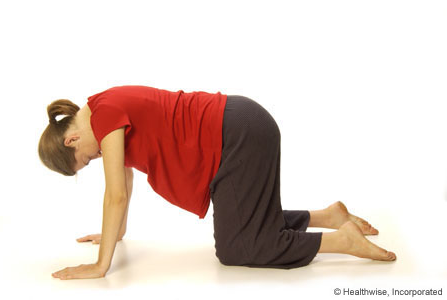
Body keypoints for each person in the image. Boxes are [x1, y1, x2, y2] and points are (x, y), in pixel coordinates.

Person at [38, 85, 396, 280]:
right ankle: (328, 216)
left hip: (236, 136)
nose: (96, 158)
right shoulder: (102, 107)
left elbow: (114, 193)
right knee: (244, 227)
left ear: (71, 141)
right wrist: (116, 235)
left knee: (238, 248)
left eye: (88, 158)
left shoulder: (105, 116)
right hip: (239, 130)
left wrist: (101, 266)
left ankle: (340, 240)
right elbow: (125, 180)